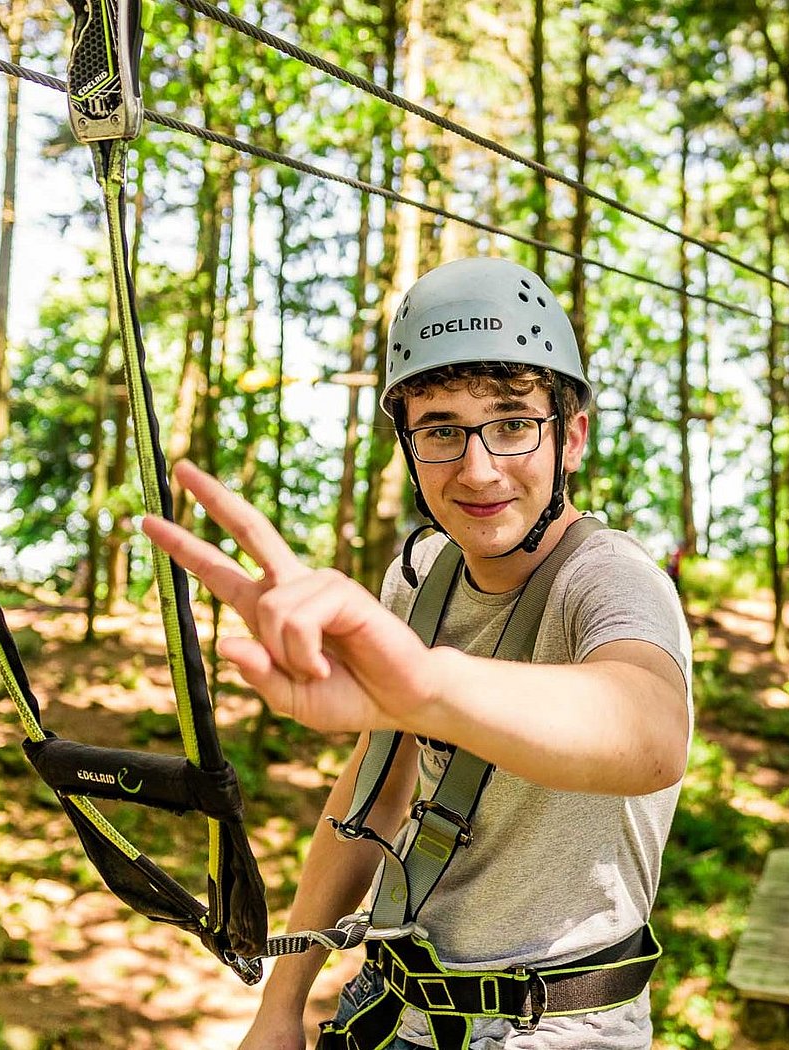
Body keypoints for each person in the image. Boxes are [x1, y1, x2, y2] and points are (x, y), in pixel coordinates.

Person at [143, 256, 692, 1050]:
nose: (477, 469)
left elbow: (649, 734)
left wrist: (426, 685)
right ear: (408, 443)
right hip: (394, 1005)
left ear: (570, 436)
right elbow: (373, 791)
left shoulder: (611, 580)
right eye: (441, 430)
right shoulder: (422, 579)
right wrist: (281, 1004)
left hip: (554, 1027)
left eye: (511, 423)